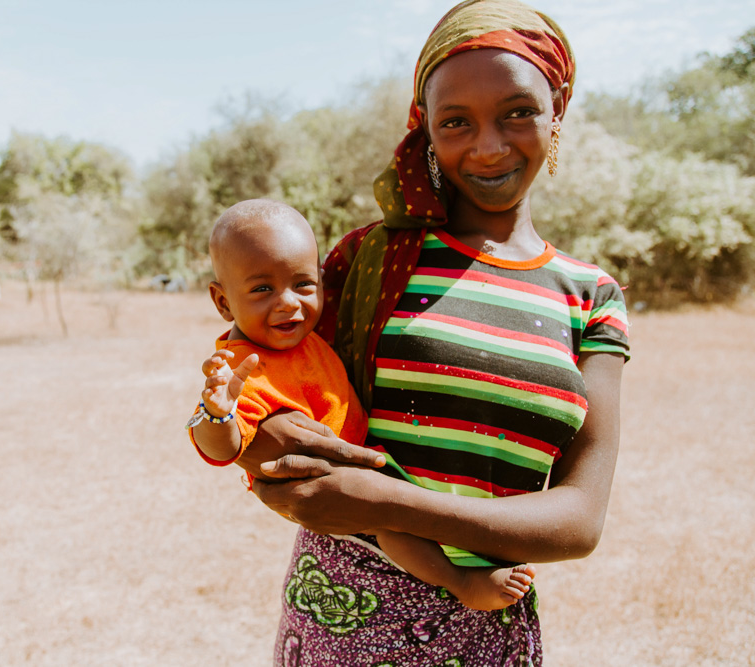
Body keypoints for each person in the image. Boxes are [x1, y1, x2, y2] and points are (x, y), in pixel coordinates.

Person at [227, 0, 631, 664]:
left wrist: (388, 498)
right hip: (343, 610)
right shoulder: (369, 260)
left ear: (557, 109)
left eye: (518, 112)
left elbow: (579, 520)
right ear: (425, 129)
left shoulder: (591, 297)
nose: (489, 144)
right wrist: (262, 448)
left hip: (491, 613)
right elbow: (260, 391)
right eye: (456, 121)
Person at [187, 198, 535, 612]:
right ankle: (461, 582)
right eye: (262, 289)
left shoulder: (306, 336)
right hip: (336, 491)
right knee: (395, 527)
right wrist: (217, 411)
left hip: (365, 463)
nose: (287, 302)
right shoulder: (245, 369)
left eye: (302, 284)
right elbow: (222, 447)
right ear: (223, 302)